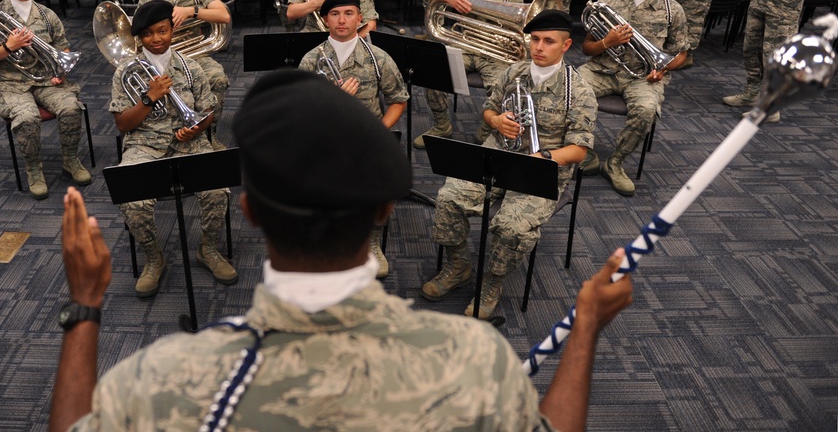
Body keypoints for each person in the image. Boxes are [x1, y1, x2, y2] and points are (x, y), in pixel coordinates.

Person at [50, 70, 633, 432]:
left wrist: (85, 305)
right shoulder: (477, 360)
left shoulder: (158, 379)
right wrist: (583, 330)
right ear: (384, 210)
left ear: (250, 213)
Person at [424, 10, 597, 319]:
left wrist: (542, 157)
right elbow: (488, 111)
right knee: (448, 198)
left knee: (512, 227)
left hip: (542, 167)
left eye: (548, 41)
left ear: (566, 45)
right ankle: (459, 265)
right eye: (534, 40)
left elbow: (579, 150)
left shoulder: (579, 90)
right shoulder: (513, 72)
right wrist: (498, 121)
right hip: (497, 154)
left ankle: (492, 282)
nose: (539, 47)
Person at [108, 1, 236, 297]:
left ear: (171, 28)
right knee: (133, 198)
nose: (156, 38)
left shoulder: (191, 67)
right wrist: (148, 98)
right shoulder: (124, 72)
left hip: (189, 143)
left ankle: (209, 249)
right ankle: (154, 258)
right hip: (144, 145)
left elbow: (208, 111)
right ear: (139, 37)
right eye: (149, 34)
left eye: (162, 31)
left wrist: (197, 127)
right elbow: (123, 125)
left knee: (217, 187)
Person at [298, 0, 408, 278]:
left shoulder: (378, 58)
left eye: (348, 13)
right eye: (334, 14)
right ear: (325, 20)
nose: (342, 20)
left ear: (360, 18)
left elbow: (398, 99)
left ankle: (370, 239)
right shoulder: (311, 60)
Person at [0, 0, 90, 199]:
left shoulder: (47, 15)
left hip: (46, 79)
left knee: (70, 108)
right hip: (9, 83)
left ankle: (70, 159)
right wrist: (8, 46)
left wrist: (61, 72)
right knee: (27, 117)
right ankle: (34, 168)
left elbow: (63, 49)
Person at [578, 0, 688, 196]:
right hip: (602, 69)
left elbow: (682, 53)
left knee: (647, 109)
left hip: (643, 77)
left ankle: (614, 163)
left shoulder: (673, 10)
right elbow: (587, 48)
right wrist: (608, 42)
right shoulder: (608, 1)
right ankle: (584, 151)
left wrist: (664, 68)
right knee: (570, 89)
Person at [414, 0, 525, 148]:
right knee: (433, 72)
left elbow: (518, 31)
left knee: (504, 87)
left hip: (494, 52)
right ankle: (442, 125)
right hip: (463, 46)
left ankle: (488, 128)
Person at [137, 0, 231, 147]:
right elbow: (137, 33)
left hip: (194, 54)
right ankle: (156, 134)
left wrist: (192, 11)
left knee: (218, 79)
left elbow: (224, 15)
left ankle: (208, 132)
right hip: (158, 56)